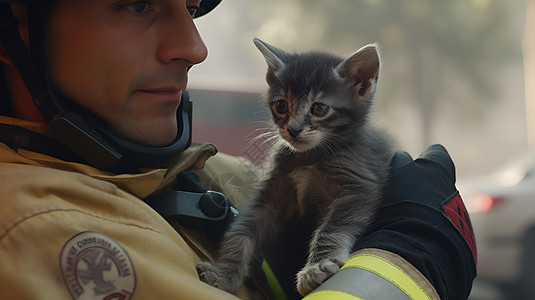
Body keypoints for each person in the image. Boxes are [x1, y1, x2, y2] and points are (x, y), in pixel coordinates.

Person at [0, 1, 476, 299]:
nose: (194, 46)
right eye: (136, 3)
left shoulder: (192, 174)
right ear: (15, 24)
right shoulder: (38, 228)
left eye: (189, 5)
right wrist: (409, 256)